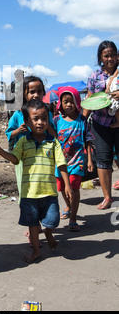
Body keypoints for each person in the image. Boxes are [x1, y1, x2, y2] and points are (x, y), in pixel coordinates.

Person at [0, 99, 72, 263]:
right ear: (27, 121)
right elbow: (14, 159)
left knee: (52, 221)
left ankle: (49, 233)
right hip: (29, 194)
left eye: (44, 118)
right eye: (35, 119)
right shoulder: (23, 141)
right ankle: (36, 251)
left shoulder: (53, 142)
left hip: (49, 192)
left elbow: (62, 164)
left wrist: (68, 185)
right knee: (33, 225)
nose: (40, 122)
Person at [83, 41, 119, 209]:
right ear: (100, 58)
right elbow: (89, 100)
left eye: (112, 54)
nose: (110, 58)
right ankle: (107, 197)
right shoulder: (94, 76)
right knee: (103, 160)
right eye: (106, 55)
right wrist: (82, 121)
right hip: (100, 124)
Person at [54, 86, 94, 231]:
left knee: (74, 186)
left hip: (77, 160)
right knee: (62, 187)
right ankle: (69, 206)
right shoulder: (57, 120)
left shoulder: (82, 120)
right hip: (60, 161)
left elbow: (88, 140)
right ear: (61, 103)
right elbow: (51, 139)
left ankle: (73, 218)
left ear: (77, 102)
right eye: (65, 102)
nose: (68, 105)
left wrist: (89, 159)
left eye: (71, 101)